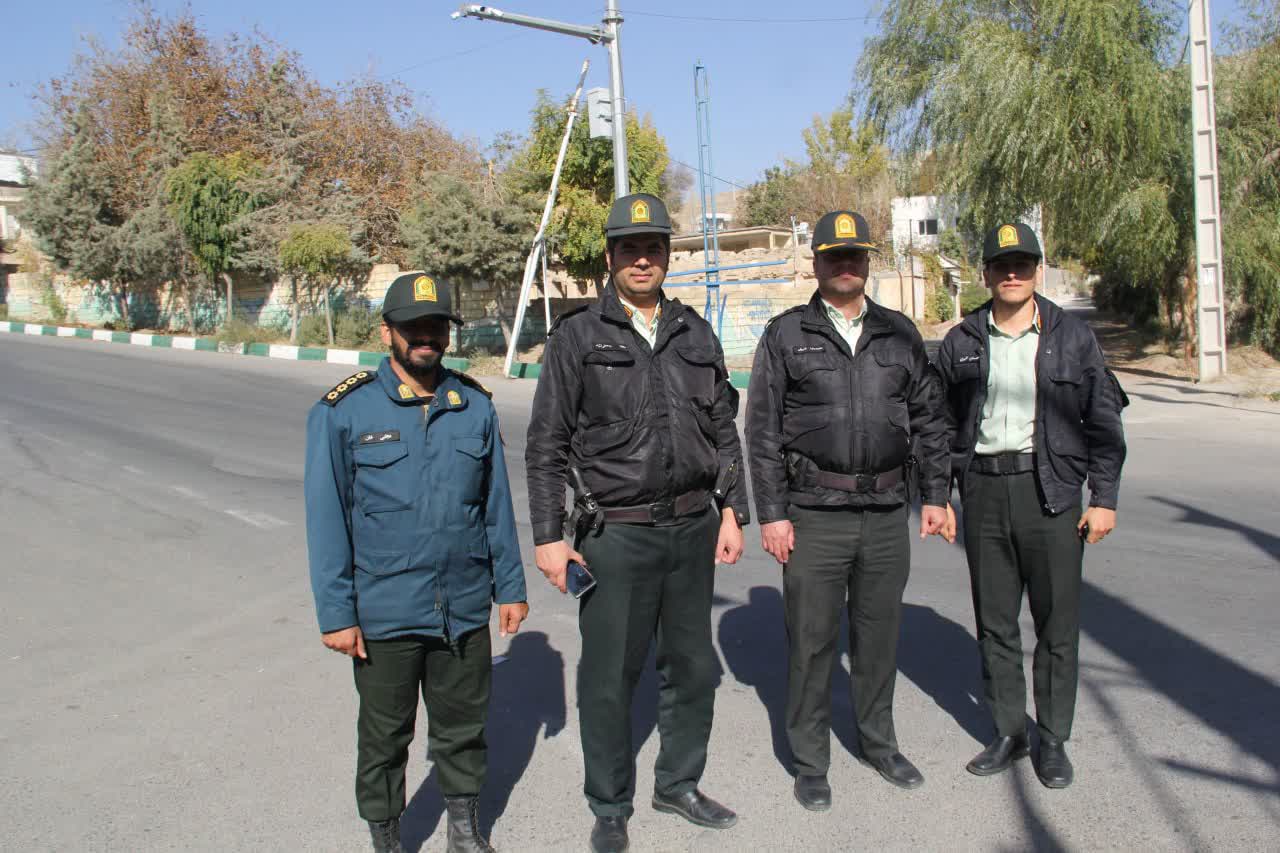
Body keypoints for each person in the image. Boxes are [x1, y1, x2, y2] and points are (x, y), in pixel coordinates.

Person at [525, 193, 750, 853]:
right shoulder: (577, 336)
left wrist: (732, 508)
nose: (643, 258)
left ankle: (678, 783)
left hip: (692, 527)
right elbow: (546, 443)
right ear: (610, 256)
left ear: (668, 256)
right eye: (630, 248)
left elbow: (723, 428)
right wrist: (548, 536)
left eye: (653, 247)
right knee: (609, 677)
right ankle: (609, 802)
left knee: (692, 668)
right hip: (615, 534)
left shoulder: (694, 333)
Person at [304, 272, 528, 853]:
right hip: (385, 610)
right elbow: (326, 520)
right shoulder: (344, 411)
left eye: (436, 326)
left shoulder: (472, 405)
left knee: (464, 730)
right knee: (384, 739)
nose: (426, 337)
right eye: (413, 327)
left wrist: (510, 587)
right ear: (387, 332)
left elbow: (496, 507)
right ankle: (387, 840)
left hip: (463, 606)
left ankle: (464, 832)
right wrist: (337, 614)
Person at [745, 210, 950, 811]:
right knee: (811, 644)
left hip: (886, 512)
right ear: (816, 263)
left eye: (854, 254)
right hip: (814, 514)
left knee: (878, 638)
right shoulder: (786, 334)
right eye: (834, 255)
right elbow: (762, 431)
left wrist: (936, 494)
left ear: (867, 262)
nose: (845, 264)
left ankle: (879, 743)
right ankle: (811, 761)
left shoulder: (899, 333)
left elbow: (930, 418)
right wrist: (773, 514)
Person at [935, 222, 1127, 789]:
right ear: (986, 273)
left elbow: (1104, 423)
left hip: (1053, 493)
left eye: (1022, 264)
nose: (1012, 274)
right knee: (994, 623)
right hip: (984, 490)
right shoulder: (962, 339)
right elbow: (939, 424)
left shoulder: (1073, 337)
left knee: (1056, 625)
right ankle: (1009, 732)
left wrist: (1104, 499)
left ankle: (1054, 739)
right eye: (1001, 265)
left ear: (1038, 271)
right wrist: (939, 495)